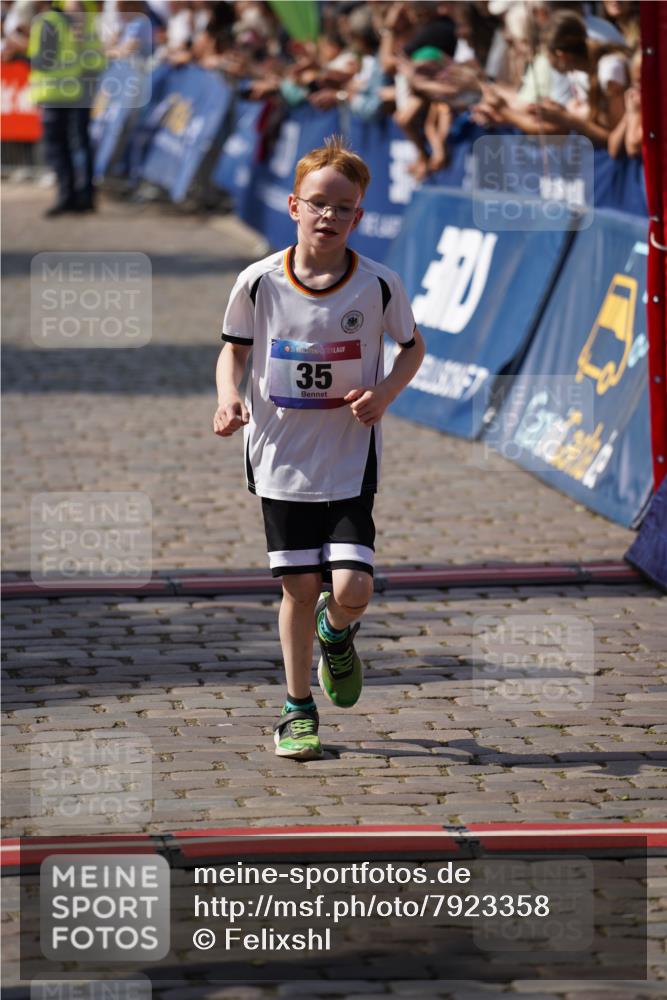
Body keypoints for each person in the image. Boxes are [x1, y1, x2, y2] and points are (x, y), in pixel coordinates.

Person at [213, 136, 425, 761]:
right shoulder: (257, 282)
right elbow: (236, 350)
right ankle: (296, 709)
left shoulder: (380, 286)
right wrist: (228, 398)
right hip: (279, 458)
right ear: (293, 206)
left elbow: (412, 349)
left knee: (352, 587)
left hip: (348, 457)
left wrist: (383, 394)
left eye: (344, 207)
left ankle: (340, 634)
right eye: (318, 204)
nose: (329, 216)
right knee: (301, 590)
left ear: (359, 215)